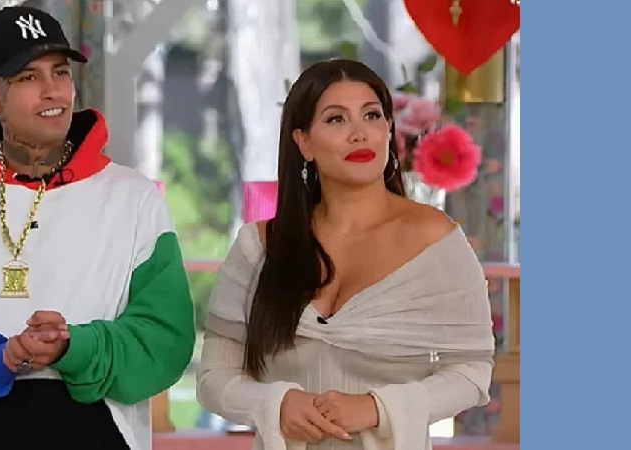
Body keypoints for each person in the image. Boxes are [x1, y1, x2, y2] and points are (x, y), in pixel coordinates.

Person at [0, 6, 196, 450]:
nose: (54, 91)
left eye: (60, 72)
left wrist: (74, 348)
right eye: (29, 77)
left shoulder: (135, 200)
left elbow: (164, 341)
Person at [195, 59, 495, 450]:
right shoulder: (259, 247)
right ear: (303, 142)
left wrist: (376, 408)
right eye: (336, 119)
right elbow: (214, 378)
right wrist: (275, 403)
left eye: (371, 115)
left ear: (389, 129)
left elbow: (472, 372)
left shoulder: (436, 241)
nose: (359, 133)